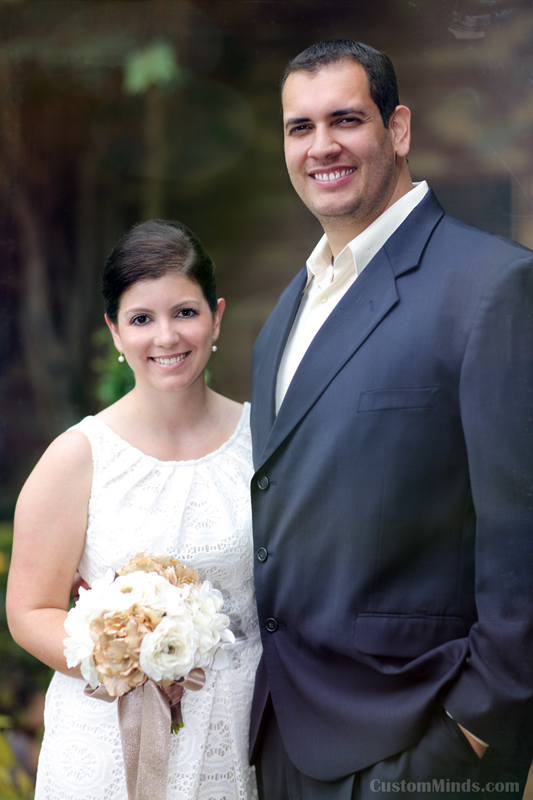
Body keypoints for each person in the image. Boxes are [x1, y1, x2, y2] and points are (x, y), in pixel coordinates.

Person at [249, 40, 533, 799]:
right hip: (283, 742)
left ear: (398, 129)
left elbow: (522, 537)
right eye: (298, 127)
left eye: (345, 119)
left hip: (419, 749)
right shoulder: (287, 311)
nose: (321, 147)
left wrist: (476, 732)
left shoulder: (490, 287)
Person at [7, 220, 261, 800]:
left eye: (185, 312)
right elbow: (29, 610)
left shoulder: (262, 441)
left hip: (240, 730)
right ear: (115, 333)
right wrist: (130, 661)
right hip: (107, 738)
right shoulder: (78, 457)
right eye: (141, 319)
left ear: (216, 317)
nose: (166, 337)